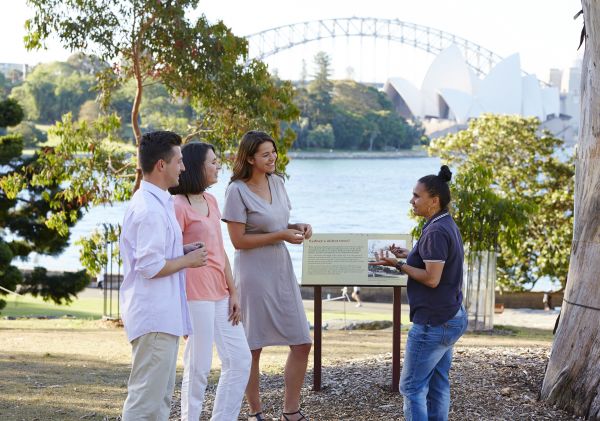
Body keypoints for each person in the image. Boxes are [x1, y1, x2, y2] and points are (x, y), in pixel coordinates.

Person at [222, 130, 312, 421]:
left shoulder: (279, 182)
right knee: (253, 346)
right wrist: (281, 234)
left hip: (281, 270)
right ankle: (256, 412)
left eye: (273, 151)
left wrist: (296, 226)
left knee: (302, 342)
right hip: (253, 274)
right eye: (265, 153)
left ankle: (291, 411)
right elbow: (238, 241)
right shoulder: (236, 190)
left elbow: (277, 222)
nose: (272, 157)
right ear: (249, 158)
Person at [119, 131, 209, 421]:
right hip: (154, 316)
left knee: (158, 403)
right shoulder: (150, 209)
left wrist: (181, 250)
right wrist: (187, 260)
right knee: (146, 402)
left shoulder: (159, 203)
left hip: (162, 316)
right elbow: (149, 267)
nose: (183, 167)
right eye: (179, 161)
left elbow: (152, 254)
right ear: (161, 165)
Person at [169, 142, 251, 420]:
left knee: (240, 360)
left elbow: (220, 251)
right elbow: (171, 255)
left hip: (221, 293)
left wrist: (234, 291)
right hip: (194, 294)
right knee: (198, 366)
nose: (218, 166)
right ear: (196, 167)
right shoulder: (177, 205)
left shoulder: (212, 201)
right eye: (213, 162)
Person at [378, 165, 468, 421]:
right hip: (450, 315)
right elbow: (434, 261)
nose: (412, 200)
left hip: (433, 321)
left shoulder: (436, 231)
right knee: (438, 384)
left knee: (412, 387)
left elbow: (431, 279)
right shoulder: (443, 223)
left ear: (434, 200)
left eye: (417, 196)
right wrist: (409, 255)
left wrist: (397, 265)